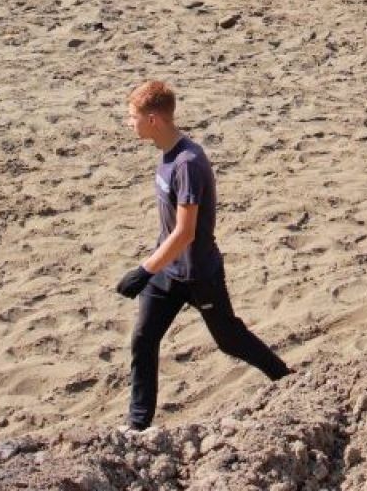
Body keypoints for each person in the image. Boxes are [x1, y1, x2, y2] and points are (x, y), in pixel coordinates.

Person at [116, 79, 290, 429]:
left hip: (199, 274)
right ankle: (137, 426)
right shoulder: (167, 156)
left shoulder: (188, 163)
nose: (128, 123)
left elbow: (185, 232)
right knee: (143, 340)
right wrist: (156, 269)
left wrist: (143, 270)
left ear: (153, 120)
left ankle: (286, 378)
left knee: (229, 339)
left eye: (132, 117)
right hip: (168, 271)